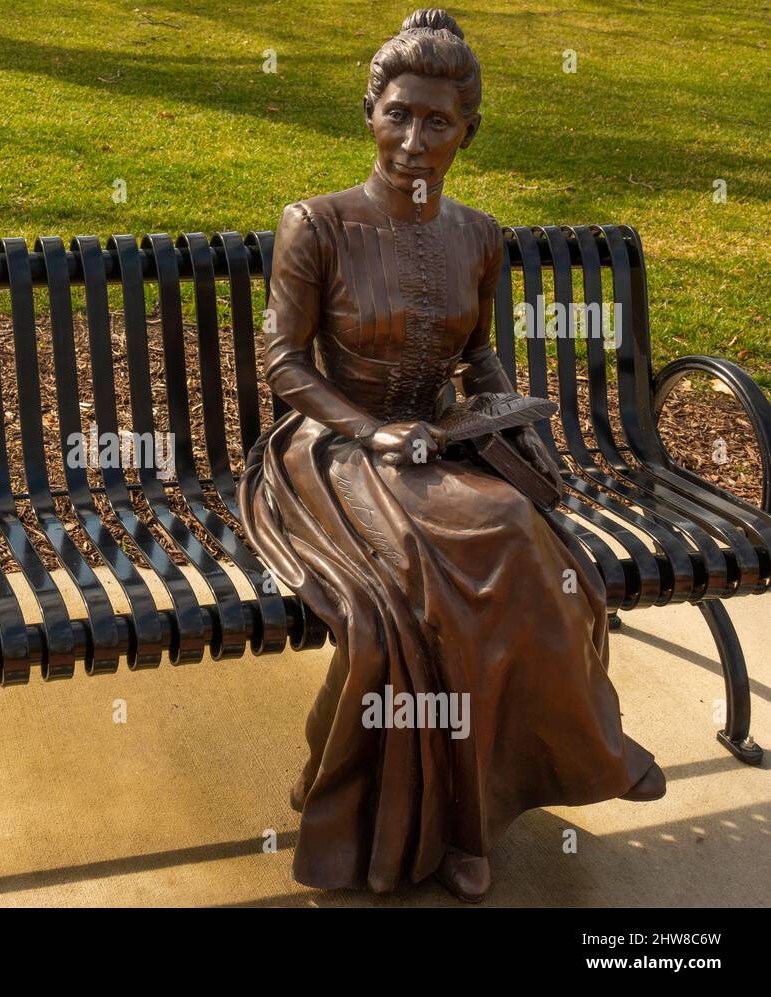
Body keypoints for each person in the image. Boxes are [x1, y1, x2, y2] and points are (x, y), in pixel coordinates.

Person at [237, 7, 665, 903]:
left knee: (521, 551)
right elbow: (281, 362)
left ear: (469, 131)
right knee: (418, 591)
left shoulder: (479, 233)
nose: (413, 140)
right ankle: (383, 811)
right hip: (330, 452)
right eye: (398, 113)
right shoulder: (314, 224)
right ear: (369, 112)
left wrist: (501, 411)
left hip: (438, 452)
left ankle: (479, 814)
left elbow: (479, 355)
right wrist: (369, 428)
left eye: (438, 122)